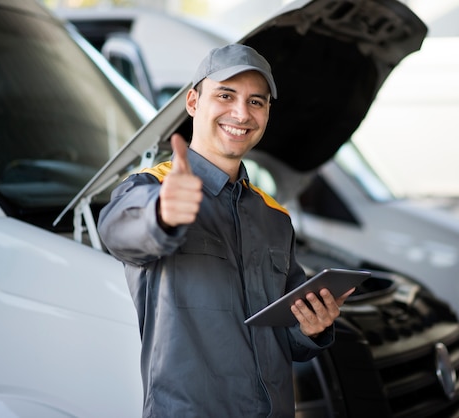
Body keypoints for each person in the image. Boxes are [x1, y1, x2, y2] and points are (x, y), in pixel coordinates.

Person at [97, 44, 354, 418]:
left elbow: (286, 336)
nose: (241, 113)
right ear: (192, 102)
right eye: (225, 95)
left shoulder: (274, 217)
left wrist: (312, 328)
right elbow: (117, 231)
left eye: (256, 102)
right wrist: (163, 214)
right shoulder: (153, 189)